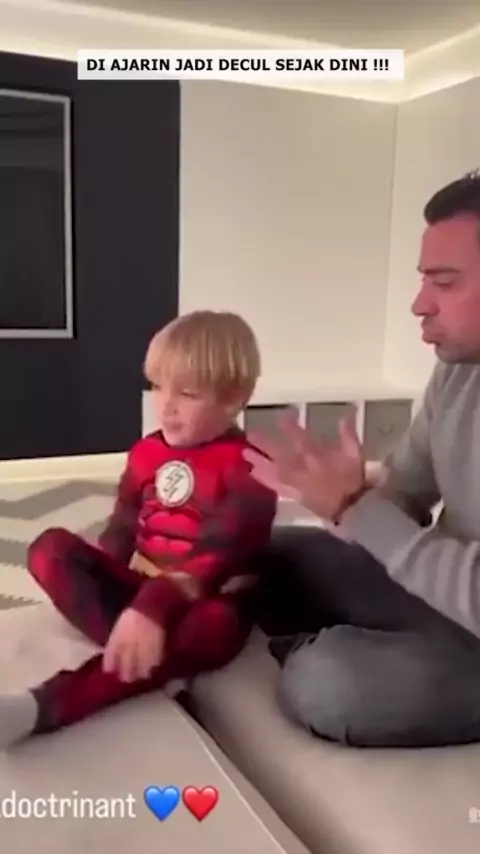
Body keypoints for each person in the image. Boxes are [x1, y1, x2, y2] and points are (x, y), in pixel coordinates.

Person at [245, 171, 480, 748]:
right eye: (423, 280)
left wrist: (357, 510)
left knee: (328, 684)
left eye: (444, 283)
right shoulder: (458, 370)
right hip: (437, 595)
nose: (419, 304)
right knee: (257, 551)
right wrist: (352, 497)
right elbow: (408, 490)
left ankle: (327, 649)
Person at [0, 310, 277, 748]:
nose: (165, 405)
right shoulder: (146, 452)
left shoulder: (251, 469)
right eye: (157, 386)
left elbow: (215, 563)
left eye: (187, 393)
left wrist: (150, 608)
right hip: (142, 585)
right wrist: (106, 580)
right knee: (49, 549)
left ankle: (43, 706)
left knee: (212, 626)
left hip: (205, 600)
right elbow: (123, 524)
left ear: (234, 398)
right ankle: (154, 660)